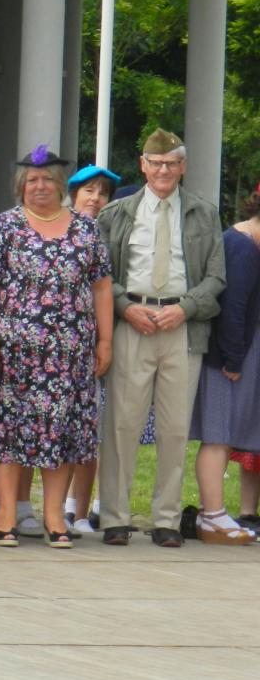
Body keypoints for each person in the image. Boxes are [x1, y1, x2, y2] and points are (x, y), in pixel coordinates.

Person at [0, 146, 113, 549]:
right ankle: (7, 516)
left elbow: (101, 285)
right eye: (32, 180)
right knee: (9, 432)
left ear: (61, 186)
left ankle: (55, 518)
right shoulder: (6, 226)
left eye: (47, 180)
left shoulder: (86, 230)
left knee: (64, 432)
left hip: (71, 352)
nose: (40, 186)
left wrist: (104, 340)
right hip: (14, 352)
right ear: (21, 186)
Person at [96, 129, 226, 547]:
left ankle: (166, 520)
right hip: (131, 321)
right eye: (156, 163)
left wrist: (184, 308)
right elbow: (100, 276)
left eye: (172, 163)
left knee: (174, 428)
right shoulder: (117, 214)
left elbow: (216, 277)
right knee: (121, 425)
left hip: (181, 327)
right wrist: (125, 307)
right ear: (143, 166)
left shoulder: (204, 214)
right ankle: (114, 517)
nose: (164, 170)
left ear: (183, 167)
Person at [188, 184, 260, 544]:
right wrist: (233, 358)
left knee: (224, 437)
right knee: (218, 436)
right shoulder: (242, 245)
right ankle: (212, 516)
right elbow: (231, 308)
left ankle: (214, 514)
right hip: (229, 357)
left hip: (239, 353)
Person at [64, 164, 122, 534]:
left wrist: (105, 340)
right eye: (88, 190)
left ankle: (79, 510)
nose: (95, 198)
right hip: (55, 342)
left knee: (89, 427)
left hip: (95, 341)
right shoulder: (56, 229)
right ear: (72, 194)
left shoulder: (111, 232)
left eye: (102, 193)